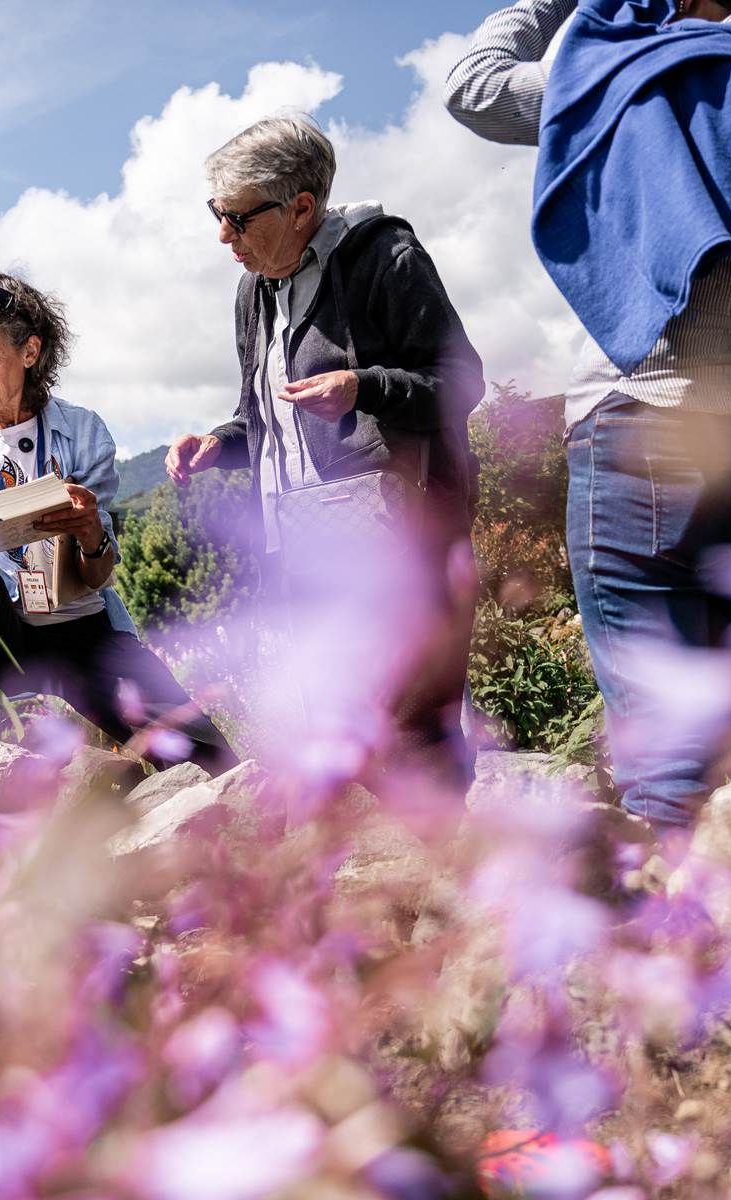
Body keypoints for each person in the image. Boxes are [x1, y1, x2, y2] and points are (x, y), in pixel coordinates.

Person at [445, 0, 731, 826]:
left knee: (667, 750)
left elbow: (476, 88)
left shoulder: (638, 73)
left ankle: (687, 939)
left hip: (644, 425)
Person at [163, 116, 486, 778]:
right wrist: (215, 444)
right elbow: (263, 417)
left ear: (301, 206)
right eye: (216, 215)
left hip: (398, 538)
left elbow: (462, 381)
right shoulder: (252, 290)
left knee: (410, 726)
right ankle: (378, 880)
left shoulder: (387, 258)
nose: (223, 235)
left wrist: (363, 387)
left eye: (237, 218)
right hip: (303, 545)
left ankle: (447, 873)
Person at [0, 273, 237, 771]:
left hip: (77, 627)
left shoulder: (82, 431)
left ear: (30, 353)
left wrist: (90, 531)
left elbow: (100, 576)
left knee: (211, 760)